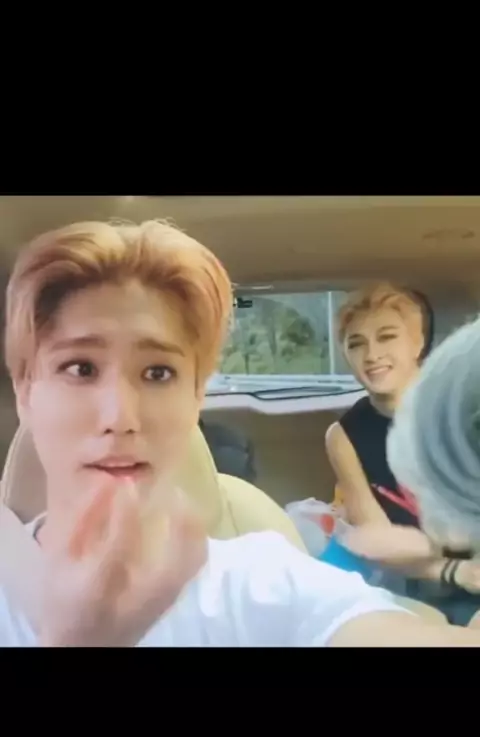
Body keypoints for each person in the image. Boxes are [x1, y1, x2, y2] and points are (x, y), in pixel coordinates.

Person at [1, 222, 480, 647]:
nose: (120, 416)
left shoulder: (263, 578)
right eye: (80, 368)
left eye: (157, 373)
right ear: (25, 392)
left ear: (196, 396)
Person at [325, 282, 480, 625]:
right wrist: (453, 571)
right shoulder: (343, 436)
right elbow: (378, 539)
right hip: (425, 579)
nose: (372, 355)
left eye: (387, 337)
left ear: (418, 343)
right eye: (356, 343)